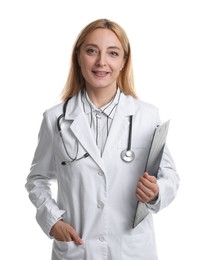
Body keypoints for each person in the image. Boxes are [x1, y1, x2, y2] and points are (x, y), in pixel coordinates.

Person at [25, 18, 179, 260]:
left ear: (123, 61)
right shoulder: (55, 119)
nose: (101, 62)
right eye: (91, 51)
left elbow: (170, 177)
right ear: (78, 56)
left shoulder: (146, 116)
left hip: (131, 249)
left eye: (113, 53)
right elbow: (37, 178)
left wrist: (157, 191)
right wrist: (52, 220)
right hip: (78, 247)